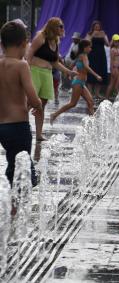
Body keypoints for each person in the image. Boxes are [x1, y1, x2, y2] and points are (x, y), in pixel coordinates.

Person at [0, 21, 43, 187]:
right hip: (18, 126)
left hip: (2, 126)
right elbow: (33, 98)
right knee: (24, 171)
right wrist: (38, 105)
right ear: (24, 43)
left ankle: (11, 206)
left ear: (2, 44)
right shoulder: (21, 65)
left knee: (13, 165)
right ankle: (13, 210)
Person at [27, 17, 76, 141]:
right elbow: (30, 52)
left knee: (41, 106)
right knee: (29, 103)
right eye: (60, 26)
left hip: (47, 74)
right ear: (53, 26)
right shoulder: (41, 36)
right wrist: (25, 70)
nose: (62, 29)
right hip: (35, 72)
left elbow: (55, 62)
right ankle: (18, 125)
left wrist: (68, 71)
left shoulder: (56, 41)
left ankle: (38, 134)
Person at [50, 40, 102, 124]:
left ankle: (92, 123)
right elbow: (86, 67)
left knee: (90, 101)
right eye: (89, 47)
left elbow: (72, 65)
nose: (91, 49)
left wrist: (70, 74)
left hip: (80, 82)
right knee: (73, 103)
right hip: (78, 82)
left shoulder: (80, 56)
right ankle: (54, 114)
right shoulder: (83, 56)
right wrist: (96, 75)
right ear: (85, 48)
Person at [85, 20, 109, 99]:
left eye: (98, 27)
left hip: (101, 55)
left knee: (100, 71)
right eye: (95, 27)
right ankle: (90, 92)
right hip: (92, 55)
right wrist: (93, 35)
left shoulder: (103, 33)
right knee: (92, 72)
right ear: (93, 27)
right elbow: (86, 42)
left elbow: (107, 44)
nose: (97, 28)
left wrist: (104, 36)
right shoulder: (89, 34)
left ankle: (97, 93)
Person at [105, 34, 119, 100]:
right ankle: (107, 97)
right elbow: (111, 60)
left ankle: (117, 97)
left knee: (117, 84)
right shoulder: (113, 50)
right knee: (112, 83)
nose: (117, 43)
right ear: (113, 42)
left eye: (118, 41)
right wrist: (111, 69)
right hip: (115, 67)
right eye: (116, 41)